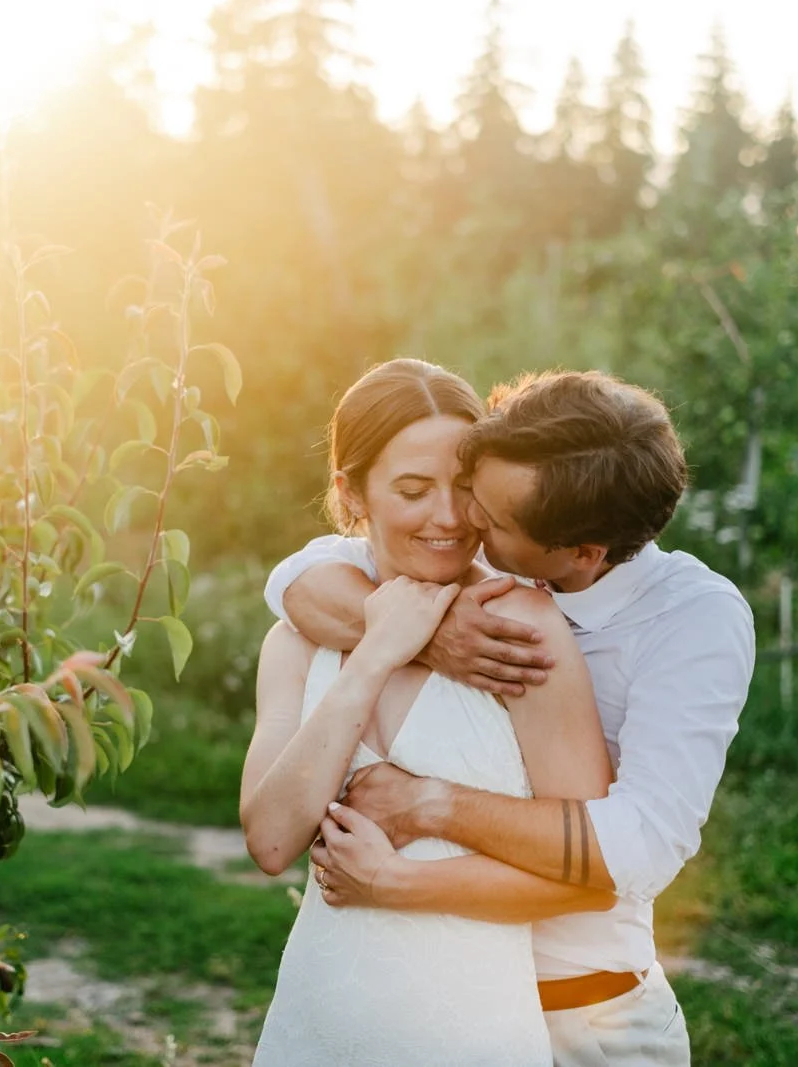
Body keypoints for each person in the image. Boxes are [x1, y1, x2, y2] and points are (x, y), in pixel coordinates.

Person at [266, 368, 756, 1066]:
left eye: (487, 516)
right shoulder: (519, 545)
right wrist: (429, 637)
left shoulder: (693, 619)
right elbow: (303, 572)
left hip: (587, 1021)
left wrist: (425, 819)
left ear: (581, 553)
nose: (463, 522)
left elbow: (639, 848)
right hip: (454, 1007)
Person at [243, 359, 617, 1066]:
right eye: (413, 490)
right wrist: (378, 651)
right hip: (318, 1024)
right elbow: (269, 840)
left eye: (463, 487)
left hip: (473, 1032)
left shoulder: (522, 632)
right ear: (351, 492)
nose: (448, 517)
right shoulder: (296, 638)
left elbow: (592, 874)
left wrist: (397, 883)